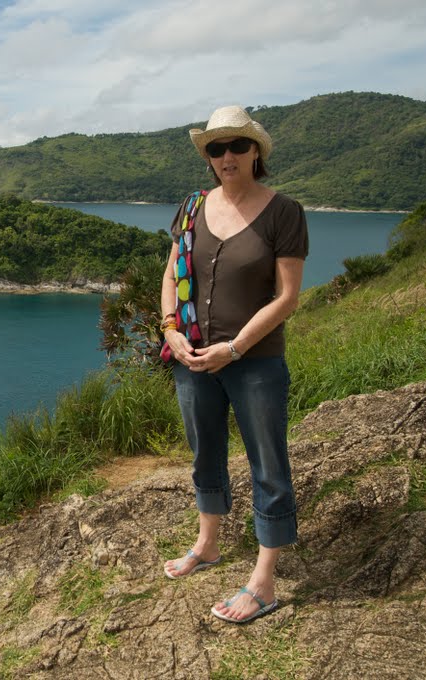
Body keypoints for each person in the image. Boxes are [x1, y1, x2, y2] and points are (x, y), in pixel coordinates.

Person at [159, 105, 308, 623]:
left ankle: (264, 582)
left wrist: (236, 348)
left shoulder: (284, 212)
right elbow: (173, 268)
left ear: (256, 153)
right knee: (205, 452)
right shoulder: (193, 205)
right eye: (216, 148)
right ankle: (209, 545)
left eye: (237, 146)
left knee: (268, 463)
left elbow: (287, 297)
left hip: (254, 361)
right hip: (194, 356)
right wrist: (169, 328)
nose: (226, 156)